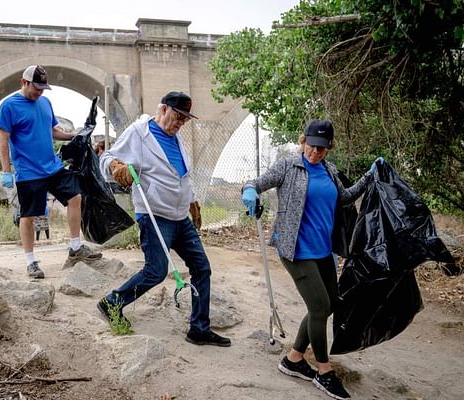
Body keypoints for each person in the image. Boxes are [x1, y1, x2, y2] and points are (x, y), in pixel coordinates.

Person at [241, 119, 383, 400]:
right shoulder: (287, 166)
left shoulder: (329, 170)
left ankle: (293, 359)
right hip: (295, 250)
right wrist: (249, 192)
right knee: (319, 307)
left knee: (329, 305)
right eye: (311, 145)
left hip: (322, 251)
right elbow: (256, 183)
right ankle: (324, 371)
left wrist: (369, 176)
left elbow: (344, 198)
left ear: (329, 148)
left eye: (322, 148)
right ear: (303, 140)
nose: (315, 152)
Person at [96, 91, 227, 347]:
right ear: (163, 109)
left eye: (185, 119)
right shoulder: (139, 133)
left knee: (202, 269)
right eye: (178, 116)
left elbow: (181, 176)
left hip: (180, 218)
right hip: (155, 215)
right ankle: (111, 303)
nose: (181, 123)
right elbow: (106, 158)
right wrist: (116, 168)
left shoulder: (177, 140)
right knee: (156, 272)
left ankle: (199, 329)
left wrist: (192, 202)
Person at [0, 64, 102, 279]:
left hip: (51, 166)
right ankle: (31, 262)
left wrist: (74, 136)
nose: (40, 92)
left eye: (43, 88)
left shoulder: (45, 102)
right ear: (24, 83)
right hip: (28, 172)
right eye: (36, 88)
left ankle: (75, 248)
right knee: (29, 215)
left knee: (75, 197)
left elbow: (53, 130)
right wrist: (6, 171)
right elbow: (3, 139)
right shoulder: (9, 106)